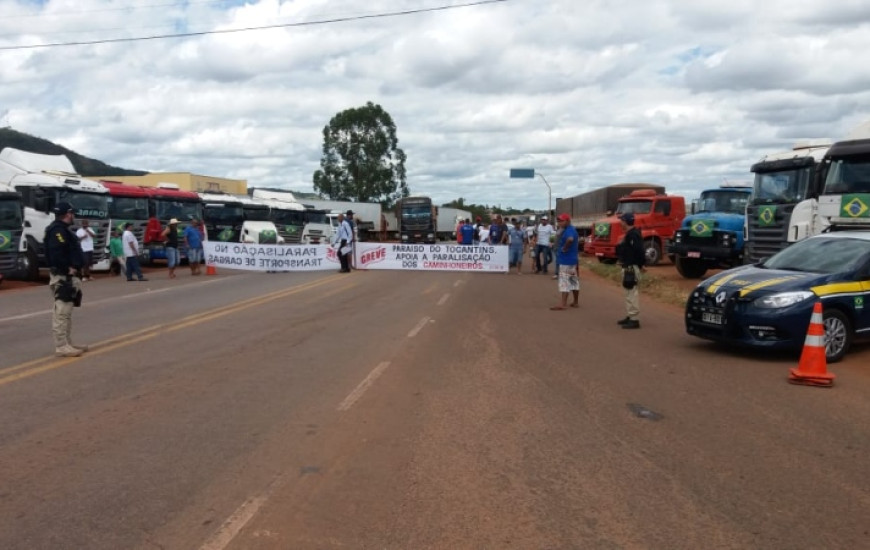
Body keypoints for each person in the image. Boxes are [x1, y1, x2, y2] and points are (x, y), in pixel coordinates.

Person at [44, 202, 87, 357]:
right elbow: (56, 254)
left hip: (69, 275)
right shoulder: (57, 231)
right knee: (61, 311)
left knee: (67, 310)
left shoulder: (62, 230)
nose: (73, 215)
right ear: (68, 214)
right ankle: (61, 345)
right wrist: (67, 268)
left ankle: (67, 342)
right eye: (72, 213)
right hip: (63, 276)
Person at [616, 213, 645, 329]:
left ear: (626, 221)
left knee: (631, 293)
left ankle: (634, 319)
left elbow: (639, 252)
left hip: (631, 268)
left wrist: (641, 264)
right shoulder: (630, 234)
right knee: (629, 292)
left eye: (621, 220)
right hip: (628, 266)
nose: (620, 222)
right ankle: (630, 315)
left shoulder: (633, 235)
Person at [550, 213, 580, 310]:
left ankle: (563, 304)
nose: (559, 223)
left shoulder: (569, 231)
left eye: (561, 221)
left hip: (566, 260)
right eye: (558, 221)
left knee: (564, 282)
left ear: (567, 221)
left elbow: (570, 239)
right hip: (572, 260)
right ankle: (575, 302)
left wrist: (565, 248)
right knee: (573, 281)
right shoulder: (571, 229)